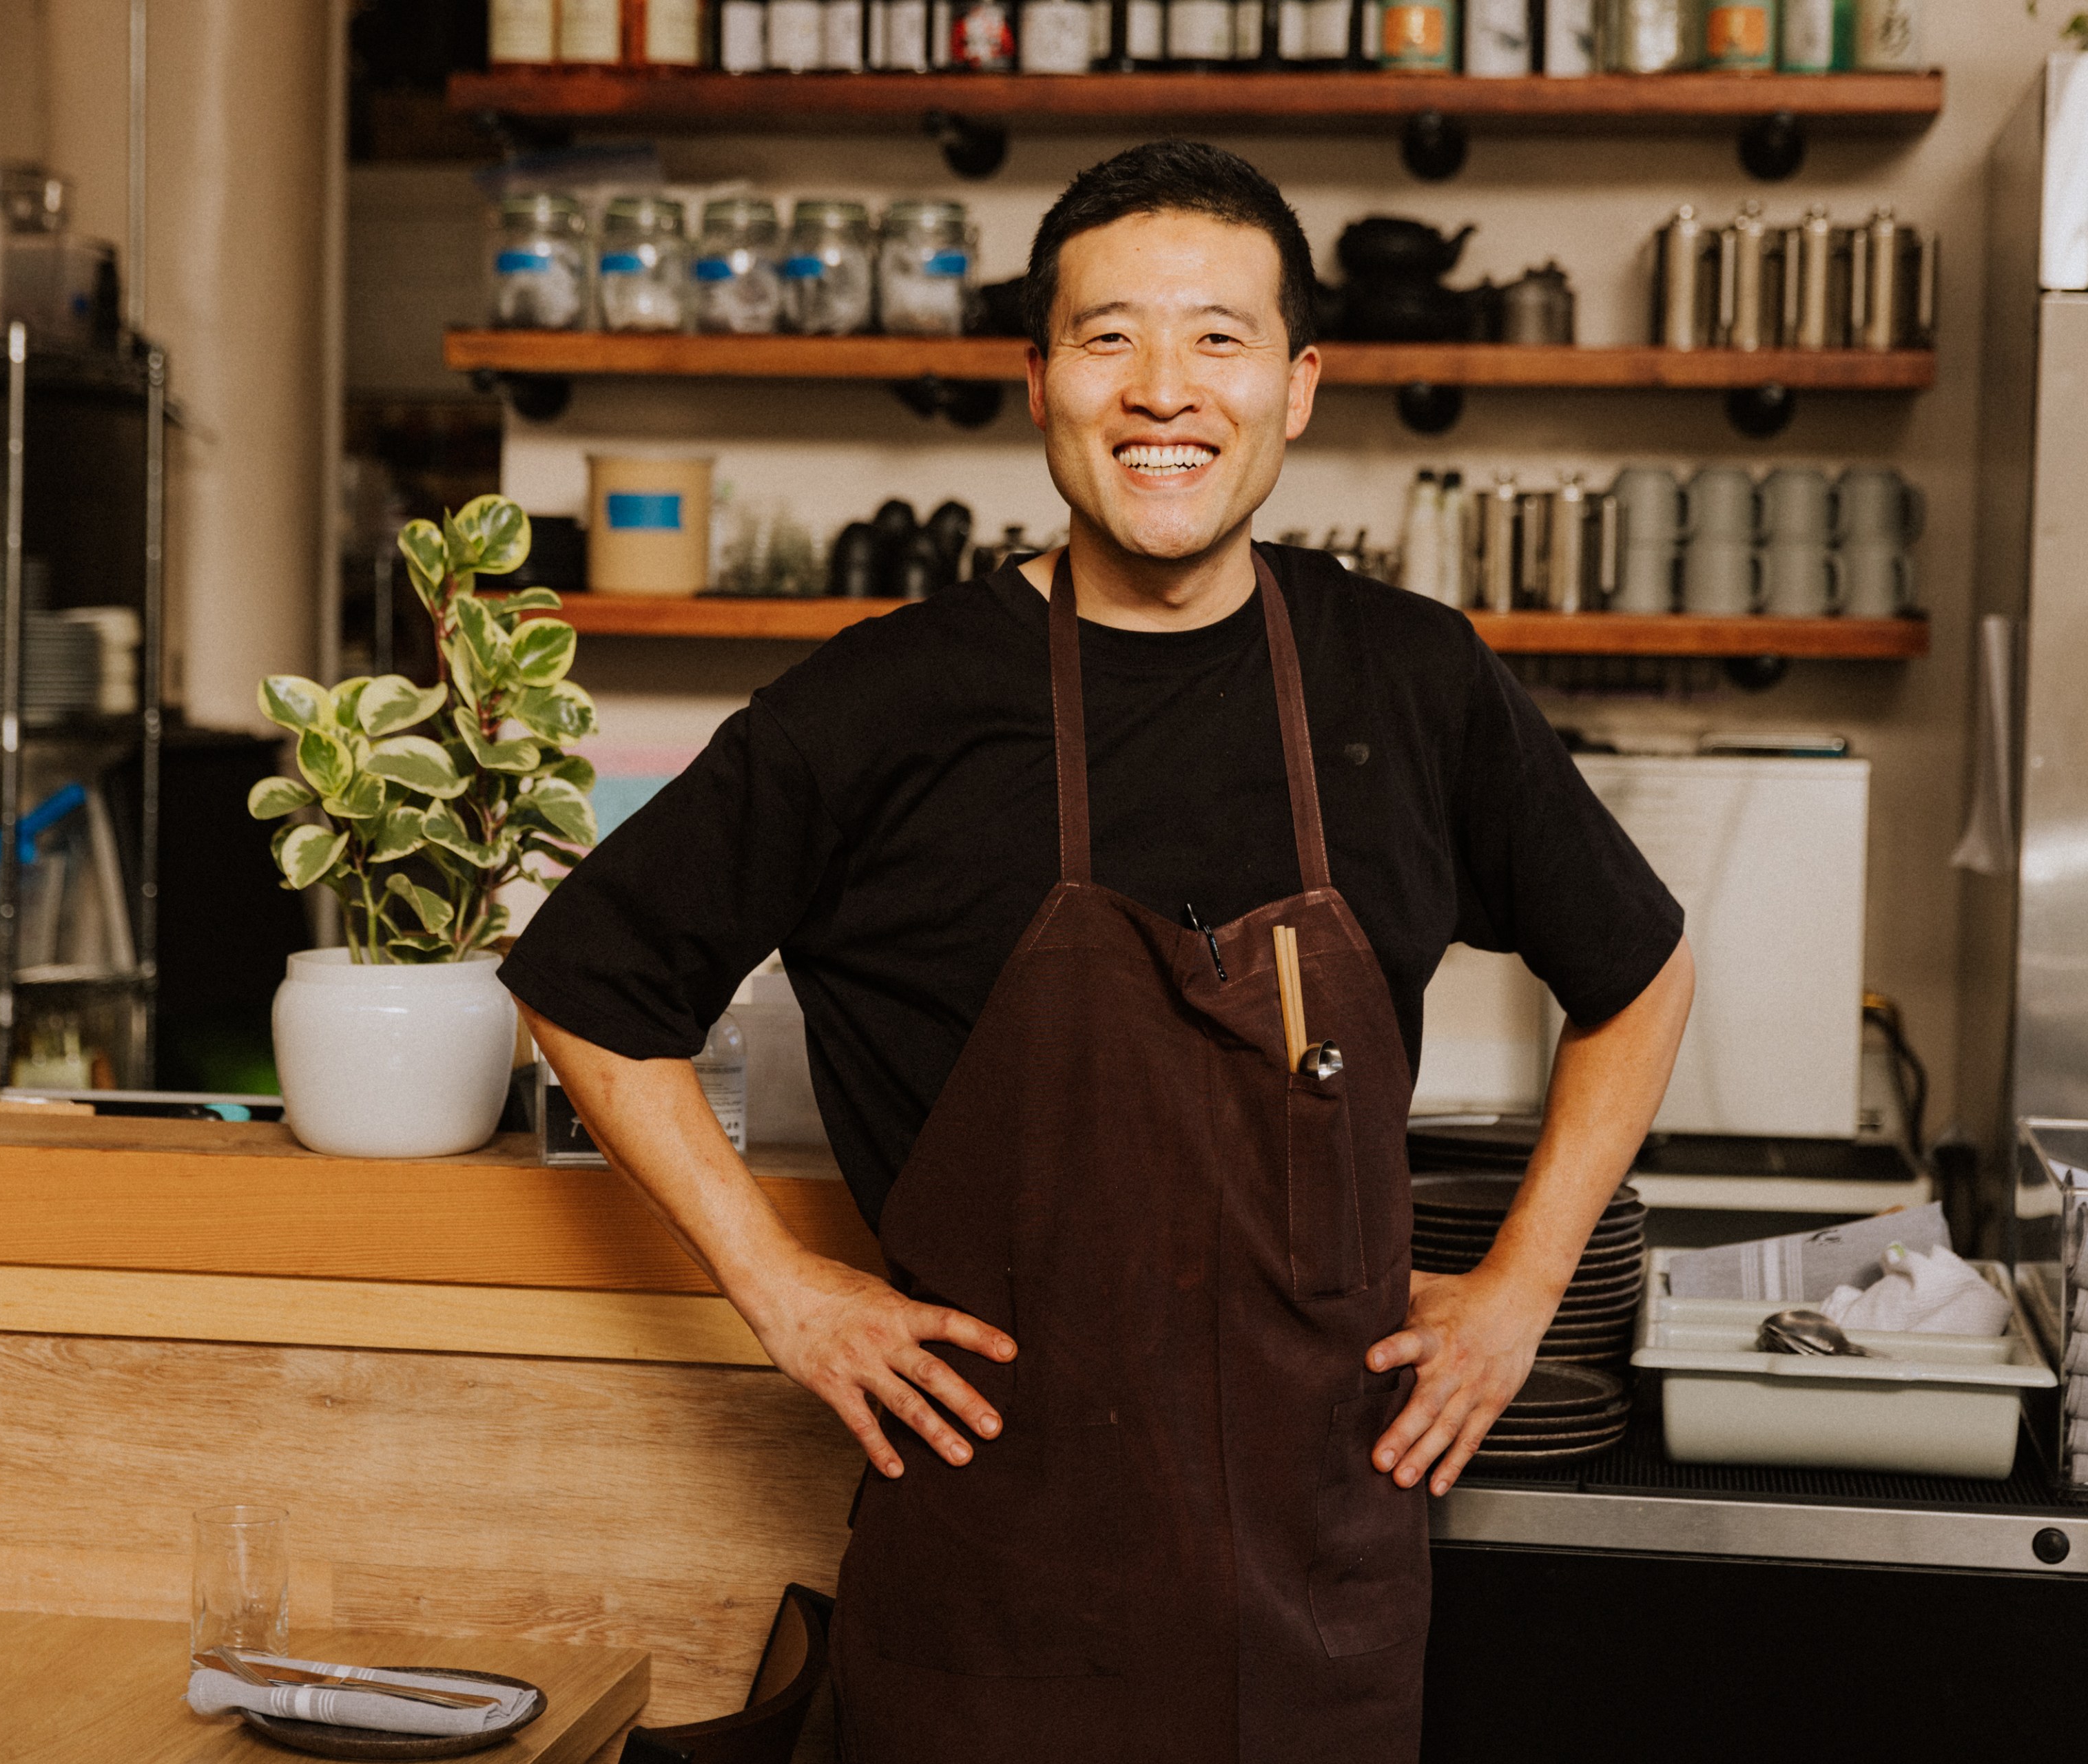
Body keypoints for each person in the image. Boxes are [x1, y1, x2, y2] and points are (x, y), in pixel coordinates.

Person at [505, 140, 1694, 1762]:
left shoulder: (1407, 685)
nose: (1164, 391)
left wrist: (1520, 1291)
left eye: (1221, 337)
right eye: (1107, 335)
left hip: (1322, 1619)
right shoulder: (888, 706)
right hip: (992, 1614)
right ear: (1040, 379)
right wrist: (781, 1289)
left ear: (1299, 386)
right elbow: (584, 985)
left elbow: (1638, 976)